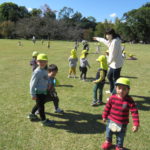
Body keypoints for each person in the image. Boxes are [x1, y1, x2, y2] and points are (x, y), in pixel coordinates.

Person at [101, 78, 139, 150]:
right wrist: (104, 116)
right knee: (108, 132)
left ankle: (119, 146)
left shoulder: (129, 100)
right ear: (116, 88)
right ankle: (108, 142)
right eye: (119, 88)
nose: (121, 91)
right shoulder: (112, 98)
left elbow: (134, 112)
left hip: (122, 123)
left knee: (120, 136)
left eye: (124, 89)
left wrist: (136, 124)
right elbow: (107, 107)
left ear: (128, 90)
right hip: (111, 120)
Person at [28, 53, 55, 126]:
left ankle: (31, 114)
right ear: (37, 62)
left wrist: (48, 84)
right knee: (41, 107)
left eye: (44, 61)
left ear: (47, 62)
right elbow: (32, 84)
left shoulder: (45, 70)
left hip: (43, 91)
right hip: (38, 92)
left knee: (39, 104)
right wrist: (32, 94)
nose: (42, 63)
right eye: (40, 61)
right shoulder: (37, 72)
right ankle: (44, 121)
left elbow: (45, 79)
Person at [93, 29, 124, 94]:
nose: (106, 36)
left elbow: (113, 55)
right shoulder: (112, 40)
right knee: (109, 76)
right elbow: (105, 41)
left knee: (116, 80)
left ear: (112, 34)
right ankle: (111, 90)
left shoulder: (115, 42)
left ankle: (114, 95)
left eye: (108, 34)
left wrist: (107, 63)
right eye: (106, 34)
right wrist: (97, 38)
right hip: (113, 63)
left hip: (117, 64)